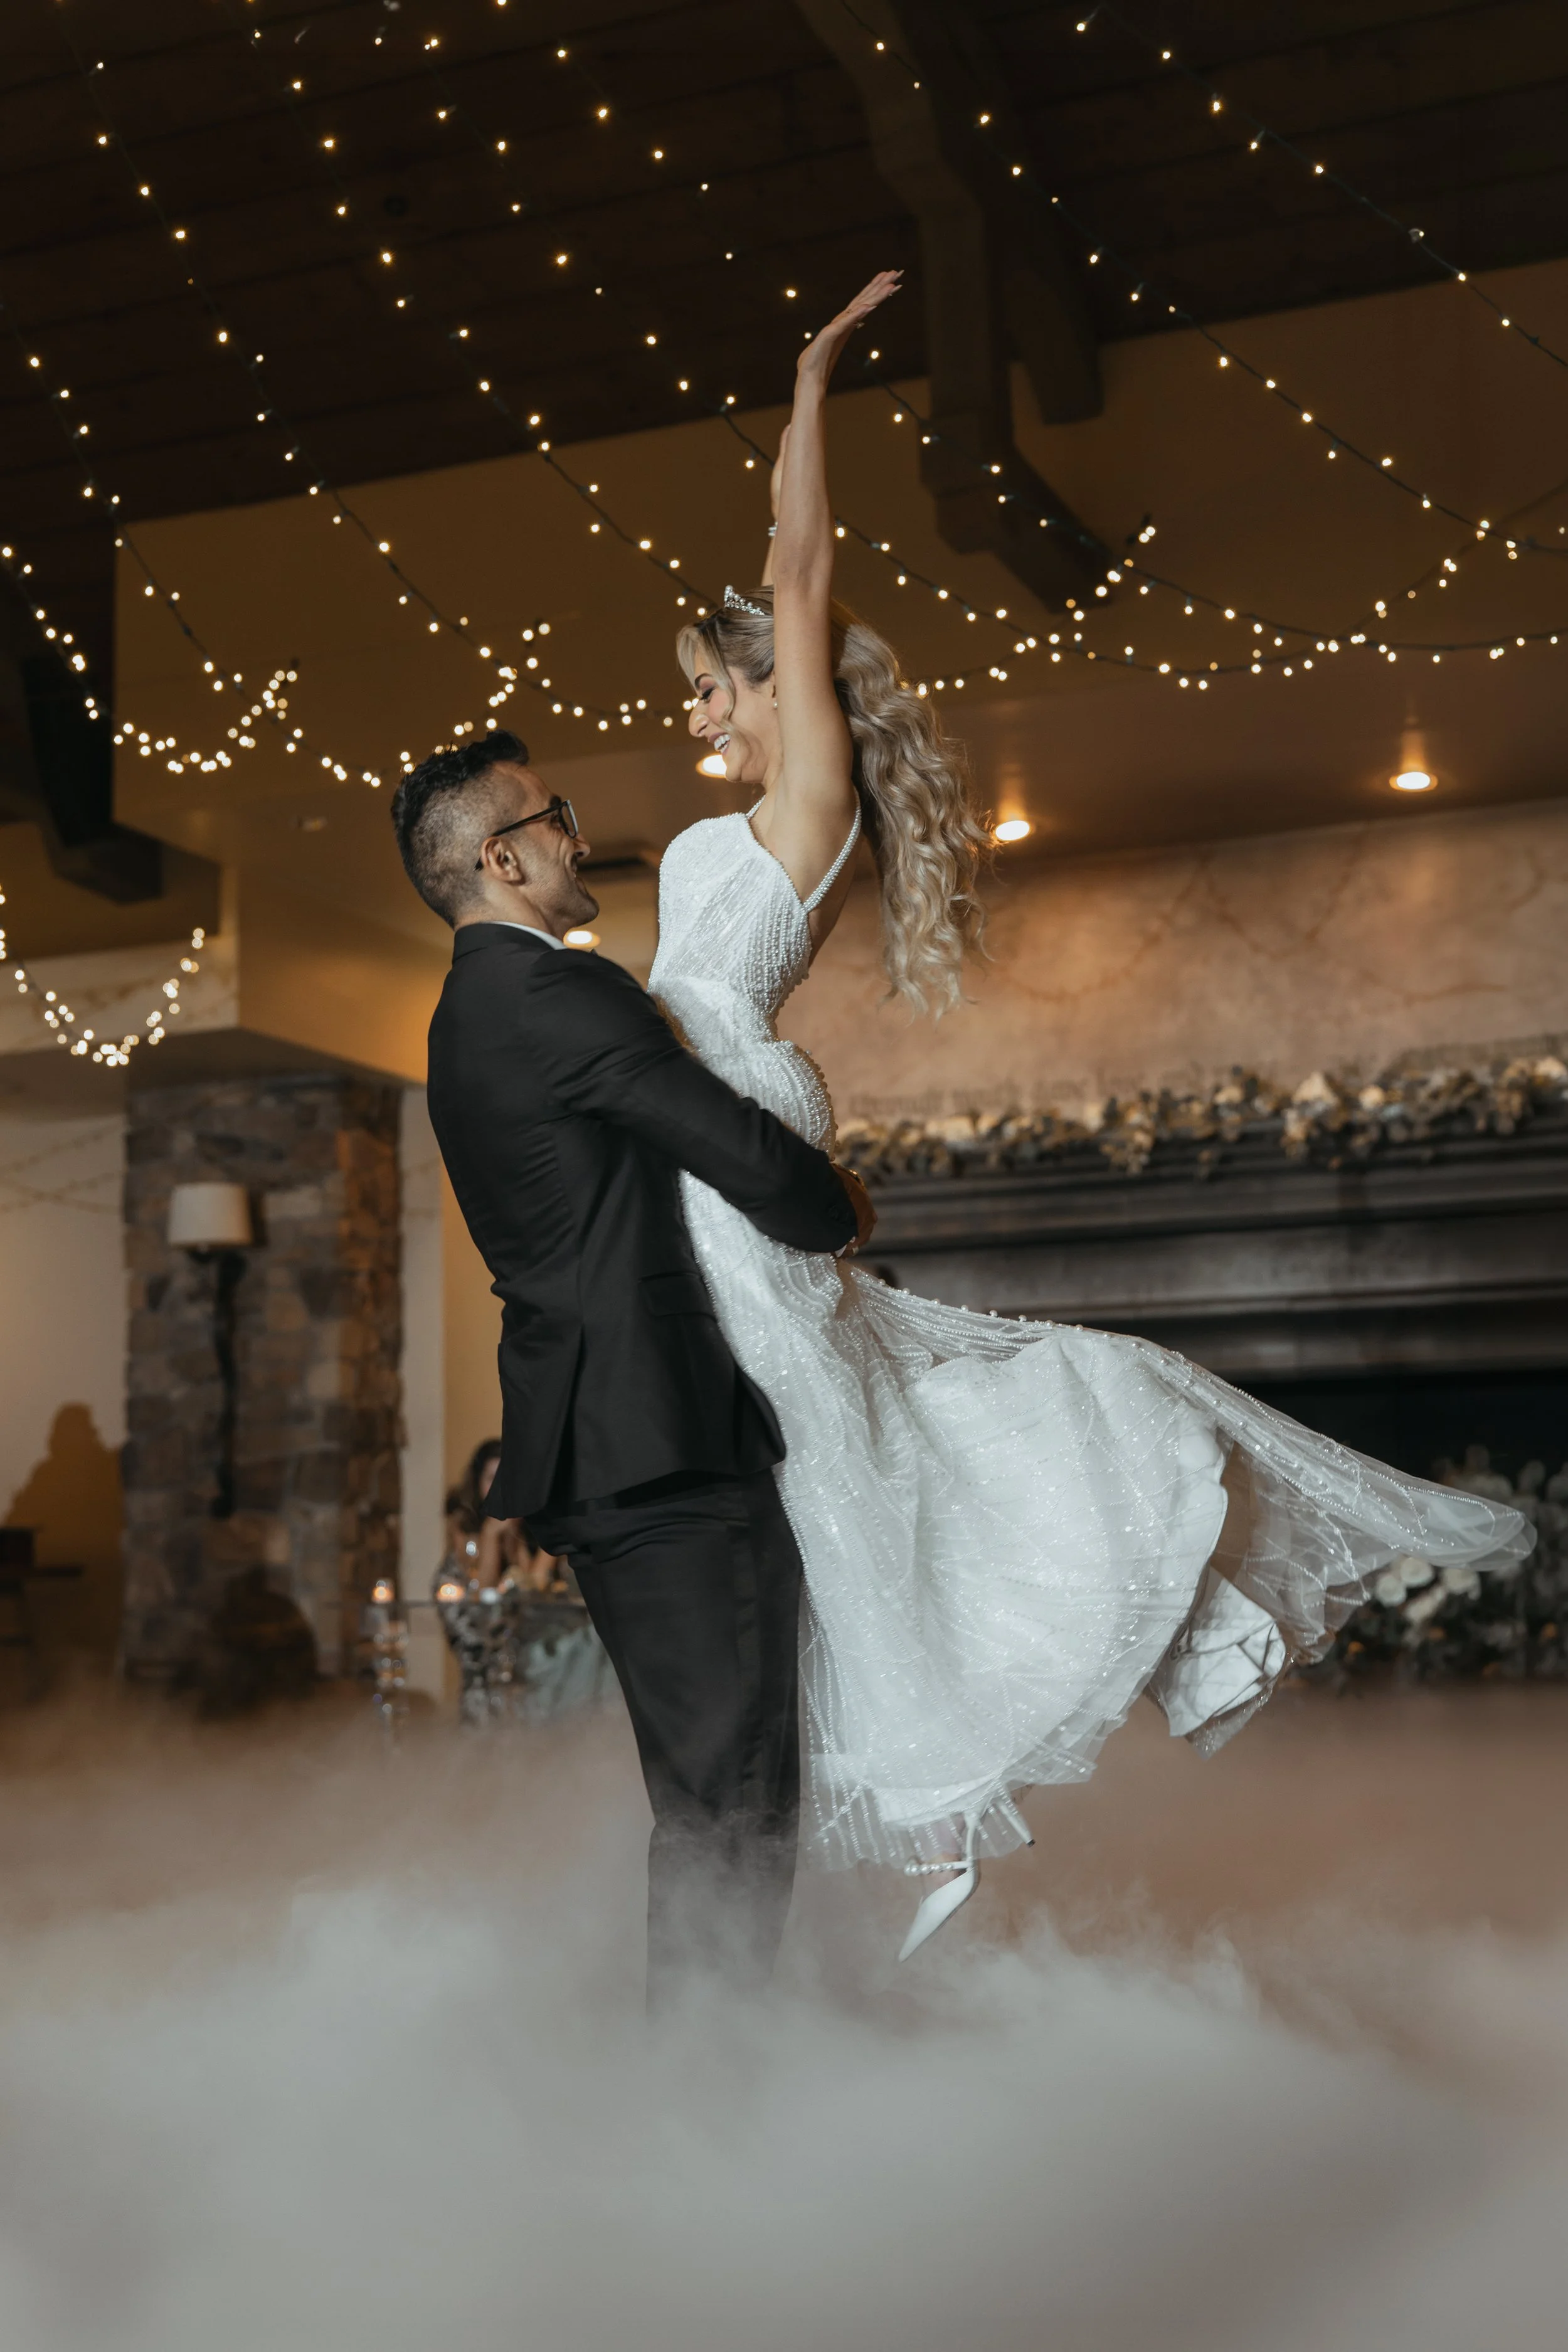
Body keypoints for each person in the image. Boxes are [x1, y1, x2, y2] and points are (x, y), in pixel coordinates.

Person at [654, 267, 1533, 1957]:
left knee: (838, 1443)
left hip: (732, 1118)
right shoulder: (745, 808)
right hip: (697, 1117)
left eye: (710, 680)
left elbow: (801, 562)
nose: (692, 706)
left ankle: (930, 1784)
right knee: (839, 1438)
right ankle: (896, 1790)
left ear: (777, 680)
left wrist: (810, 387)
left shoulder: (808, 784)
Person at [390, 743, 868, 2005]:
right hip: (657, 1442)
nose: (574, 832)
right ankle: (706, 2097)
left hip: (607, 1440)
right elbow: (755, 1167)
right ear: (502, 859)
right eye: (554, 818)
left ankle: (712, 2076)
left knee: (715, 1787)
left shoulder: (468, 1011)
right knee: (732, 1794)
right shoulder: (558, 997)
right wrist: (840, 1204)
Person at [434, 1438, 617, 1726]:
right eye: (492, 1479)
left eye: (510, 1480)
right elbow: (481, 1609)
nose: (502, 1491)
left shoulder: (539, 1535)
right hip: (496, 1675)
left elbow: (541, 1588)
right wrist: (493, 1538)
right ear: (478, 1485)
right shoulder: (467, 1542)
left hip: (549, 1666)